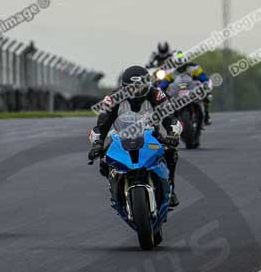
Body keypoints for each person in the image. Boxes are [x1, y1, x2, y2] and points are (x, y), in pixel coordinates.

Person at [88, 65, 182, 206]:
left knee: (171, 152)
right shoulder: (113, 98)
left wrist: (173, 133)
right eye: (132, 88)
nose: (137, 92)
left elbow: (171, 118)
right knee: (104, 159)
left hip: (151, 134)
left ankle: (171, 188)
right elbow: (101, 125)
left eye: (141, 87)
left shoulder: (157, 94)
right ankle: (115, 190)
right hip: (121, 136)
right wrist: (97, 143)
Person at [158, 50, 213, 125]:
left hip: (192, 90)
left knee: (207, 94)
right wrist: (159, 90)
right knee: (165, 100)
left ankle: (206, 114)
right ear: (174, 63)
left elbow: (204, 79)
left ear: (186, 62)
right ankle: (169, 119)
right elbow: (163, 84)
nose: (180, 67)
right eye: (178, 64)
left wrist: (207, 84)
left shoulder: (194, 68)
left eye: (182, 65)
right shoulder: (171, 72)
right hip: (177, 93)